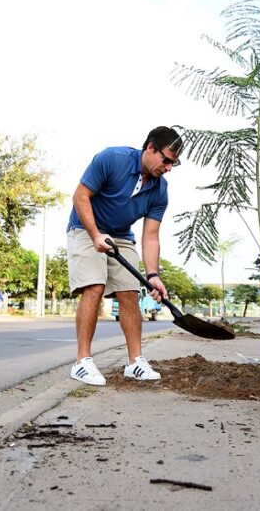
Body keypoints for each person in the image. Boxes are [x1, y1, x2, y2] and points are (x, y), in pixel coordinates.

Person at [66, 126, 183, 386]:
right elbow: (80, 196)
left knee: (130, 292)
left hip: (121, 235)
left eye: (174, 164)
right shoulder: (112, 159)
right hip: (86, 228)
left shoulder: (159, 190)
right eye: (166, 160)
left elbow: (151, 236)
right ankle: (82, 362)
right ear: (150, 148)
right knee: (94, 286)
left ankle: (135, 363)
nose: (168, 168)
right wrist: (96, 234)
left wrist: (153, 275)